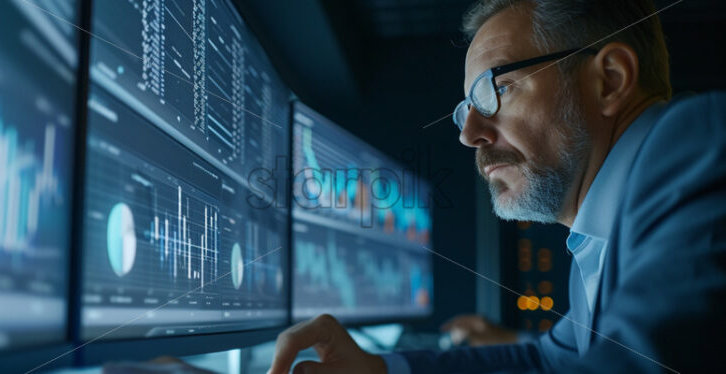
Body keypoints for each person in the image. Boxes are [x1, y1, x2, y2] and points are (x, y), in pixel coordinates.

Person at [265, 0, 726, 373]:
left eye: (495, 91)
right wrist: (379, 371)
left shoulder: (699, 145)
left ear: (610, 80)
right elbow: (545, 360)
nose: (470, 134)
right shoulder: (596, 240)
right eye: (467, 108)